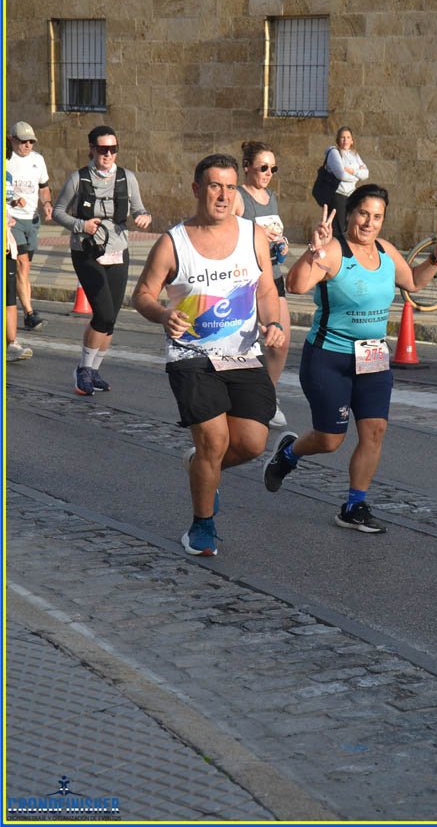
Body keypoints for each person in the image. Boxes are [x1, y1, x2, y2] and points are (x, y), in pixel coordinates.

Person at [263, 184, 437, 533]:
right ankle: (289, 453)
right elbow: (295, 285)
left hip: (373, 358)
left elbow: (413, 282)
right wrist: (313, 252)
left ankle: (354, 506)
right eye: (363, 213)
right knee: (330, 439)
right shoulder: (334, 250)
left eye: (377, 216)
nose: (369, 222)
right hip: (329, 358)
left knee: (375, 430)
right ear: (350, 213)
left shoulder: (386, 252)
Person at [132, 153, 285, 557]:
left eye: (230, 187)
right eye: (215, 186)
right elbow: (142, 294)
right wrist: (163, 314)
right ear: (197, 188)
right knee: (214, 440)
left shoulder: (253, 235)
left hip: (242, 354)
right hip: (192, 355)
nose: (223, 195)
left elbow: (266, 290)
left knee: (252, 443)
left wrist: (273, 321)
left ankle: (200, 465)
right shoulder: (174, 242)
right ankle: (202, 525)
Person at [52, 125, 152, 395]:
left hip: (118, 250)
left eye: (113, 149)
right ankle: (83, 370)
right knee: (103, 313)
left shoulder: (127, 178)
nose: (108, 154)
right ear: (92, 149)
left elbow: (139, 208)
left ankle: (94, 370)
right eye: (102, 149)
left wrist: (144, 217)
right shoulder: (78, 178)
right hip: (86, 251)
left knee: (111, 318)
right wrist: (80, 225)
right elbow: (58, 212)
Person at [231, 141, 290, 428]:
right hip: (246, 279)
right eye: (263, 167)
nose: (268, 173)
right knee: (245, 346)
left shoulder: (271, 197)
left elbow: (275, 233)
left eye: (273, 169)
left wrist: (282, 243)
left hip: (274, 274)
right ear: (247, 167)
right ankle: (242, 402)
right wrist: (254, 235)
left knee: (280, 342)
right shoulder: (238, 196)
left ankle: (269, 395)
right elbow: (226, 232)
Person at [6, 121, 53, 331]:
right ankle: (29, 313)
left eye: (31, 142)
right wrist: (13, 202)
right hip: (12, 220)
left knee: (25, 269)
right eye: (23, 141)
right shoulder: (6, 160)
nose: (27, 145)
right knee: (22, 265)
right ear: (12, 140)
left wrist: (47, 203)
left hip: (32, 220)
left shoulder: (38, 160)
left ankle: (25, 312)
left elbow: (43, 187)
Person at [5, 177, 33, 362]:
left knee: (9, 298)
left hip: (7, 246)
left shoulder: (6, 176)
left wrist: (14, 203)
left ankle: (11, 345)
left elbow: (7, 202)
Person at [324, 127, 369, 239]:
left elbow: (366, 174)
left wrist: (352, 171)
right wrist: (357, 175)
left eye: (348, 137)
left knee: (348, 227)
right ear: (338, 139)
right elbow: (341, 175)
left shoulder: (354, 154)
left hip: (351, 195)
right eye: (342, 137)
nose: (345, 140)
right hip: (338, 195)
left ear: (352, 140)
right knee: (338, 229)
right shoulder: (334, 153)